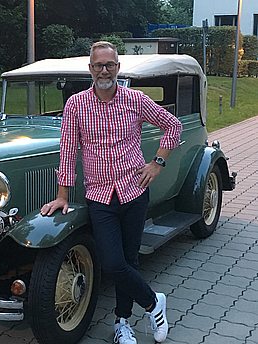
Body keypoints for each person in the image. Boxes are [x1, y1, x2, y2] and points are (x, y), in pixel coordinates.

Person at [40, 41, 182, 344]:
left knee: (129, 261)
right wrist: (63, 195)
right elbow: (68, 151)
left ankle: (122, 323)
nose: (104, 70)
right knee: (111, 263)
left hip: (134, 191)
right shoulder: (76, 105)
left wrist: (157, 163)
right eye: (98, 65)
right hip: (100, 196)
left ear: (118, 67)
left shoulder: (135, 99)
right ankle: (154, 302)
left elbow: (173, 126)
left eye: (110, 64)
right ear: (90, 69)